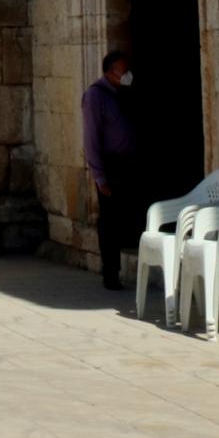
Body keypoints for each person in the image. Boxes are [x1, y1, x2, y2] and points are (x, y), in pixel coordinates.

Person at [82, 49, 140, 291]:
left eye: (128, 71)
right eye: (123, 71)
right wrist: (100, 176)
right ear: (110, 73)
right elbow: (91, 139)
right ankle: (111, 273)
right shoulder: (96, 96)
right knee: (110, 221)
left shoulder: (122, 93)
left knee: (129, 215)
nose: (128, 75)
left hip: (128, 163)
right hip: (111, 166)